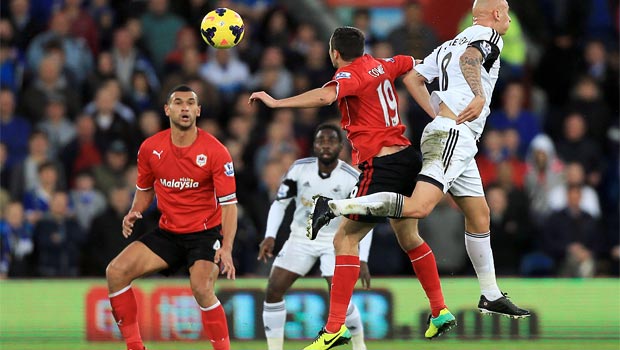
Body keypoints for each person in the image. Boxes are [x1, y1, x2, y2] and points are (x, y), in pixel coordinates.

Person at [309, 0, 531, 322]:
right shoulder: (488, 35)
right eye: (507, 12)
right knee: (419, 207)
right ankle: (333, 206)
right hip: (454, 135)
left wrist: (438, 115)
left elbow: (413, 78)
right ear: (496, 14)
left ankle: (490, 293)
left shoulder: (447, 46)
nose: (509, 19)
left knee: (479, 214)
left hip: (454, 133)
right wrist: (477, 96)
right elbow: (472, 60)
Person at [250, 26, 455, 349]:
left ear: (334, 53)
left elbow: (325, 95)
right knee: (410, 237)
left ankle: (334, 328)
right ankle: (439, 309)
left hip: (381, 165)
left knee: (345, 238)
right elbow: (417, 62)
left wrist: (276, 103)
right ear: (363, 48)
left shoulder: (350, 75)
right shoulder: (384, 63)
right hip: (406, 155)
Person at [105, 85, 238, 350]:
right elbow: (144, 189)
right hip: (169, 232)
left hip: (205, 234)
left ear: (198, 111)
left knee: (201, 288)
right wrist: (135, 211)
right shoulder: (150, 148)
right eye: (178, 102)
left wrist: (227, 248)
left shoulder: (216, 151)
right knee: (116, 272)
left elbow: (229, 205)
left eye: (191, 103)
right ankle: (135, 347)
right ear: (167, 110)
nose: (185, 107)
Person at [258, 124, 373, 350]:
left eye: (331, 141)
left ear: (341, 146)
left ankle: (360, 346)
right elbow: (280, 203)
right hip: (301, 237)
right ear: (314, 145)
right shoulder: (299, 169)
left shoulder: (352, 177)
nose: (326, 145)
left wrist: (363, 258)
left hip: (336, 241)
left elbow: (366, 220)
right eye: (322, 141)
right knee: (273, 290)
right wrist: (270, 235)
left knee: (341, 299)